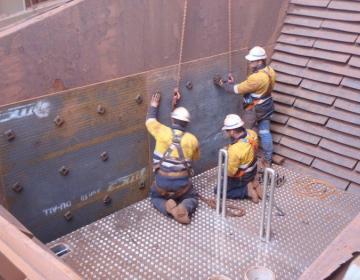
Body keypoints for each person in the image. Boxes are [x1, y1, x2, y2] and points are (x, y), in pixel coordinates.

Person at [214, 46, 276, 168]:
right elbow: (254, 87)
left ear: (260, 61)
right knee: (265, 132)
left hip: (254, 109)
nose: (250, 62)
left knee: (245, 134)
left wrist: (222, 83)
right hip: (267, 104)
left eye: (253, 61)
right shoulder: (270, 71)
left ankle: (247, 158)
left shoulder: (256, 78)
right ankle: (268, 159)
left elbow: (237, 90)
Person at [145, 91, 200, 224]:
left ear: (172, 119)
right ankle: (183, 207)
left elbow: (149, 121)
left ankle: (169, 209)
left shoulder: (162, 132)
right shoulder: (192, 140)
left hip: (161, 184)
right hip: (182, 186)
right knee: (192, 198)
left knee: (154, 197)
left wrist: (154, 105)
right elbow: (195, 158)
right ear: (187, 123)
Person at [217, 114, 261, 202]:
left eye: (227, 130)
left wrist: (224, 168)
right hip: (253, 170)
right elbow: (246, 148)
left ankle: (246, 191)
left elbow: (230, 173)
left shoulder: (235, 150)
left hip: (242, 177)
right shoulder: (252, 134)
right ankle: (252, 182)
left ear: (232, 131)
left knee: (218, 190)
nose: (226, 132)